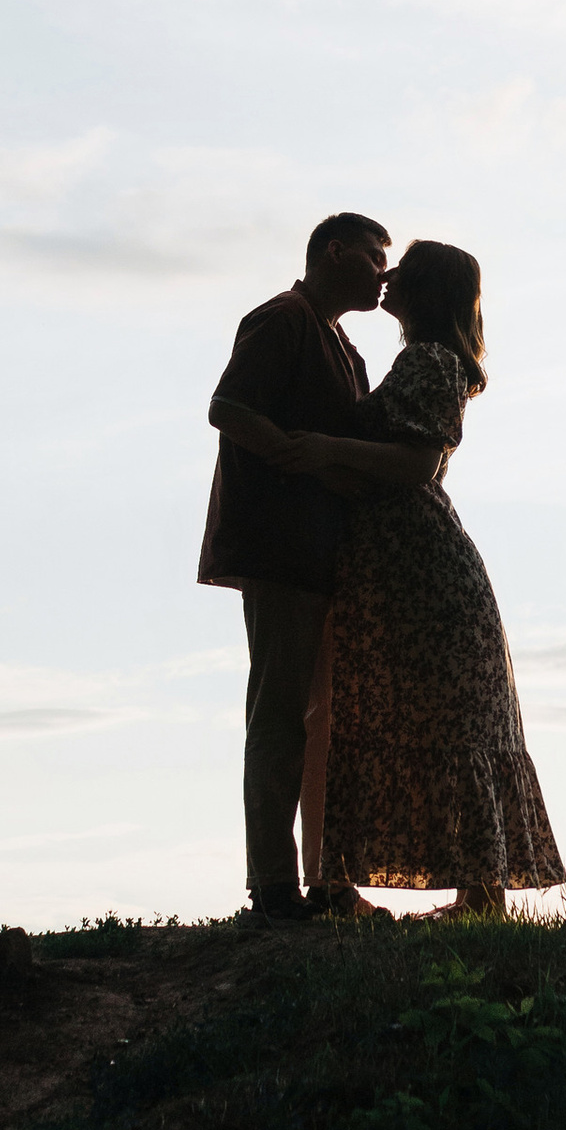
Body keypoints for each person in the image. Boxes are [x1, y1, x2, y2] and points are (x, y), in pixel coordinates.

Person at [280, 239, 563, 918]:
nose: (390, 276)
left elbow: (413, 463)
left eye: (405, 268)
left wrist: (322, 450)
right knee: (423, 716)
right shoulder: (422, 361)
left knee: (448, 720)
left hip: (421, 569)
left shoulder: (431, 362)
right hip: (398, 567)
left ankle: (479, 893)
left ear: (427, 289)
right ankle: (468, 891)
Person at [199, 214, 391, 920]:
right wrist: (305, 465)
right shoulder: (281, 319)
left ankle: (331, 882)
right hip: (280, 550)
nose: (383, 275)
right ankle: (274, 887)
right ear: (332, 251)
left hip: (326, 555)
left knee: (326, 722)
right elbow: (227, 407)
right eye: (375, 257)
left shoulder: (345, 347)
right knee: (280, 716)